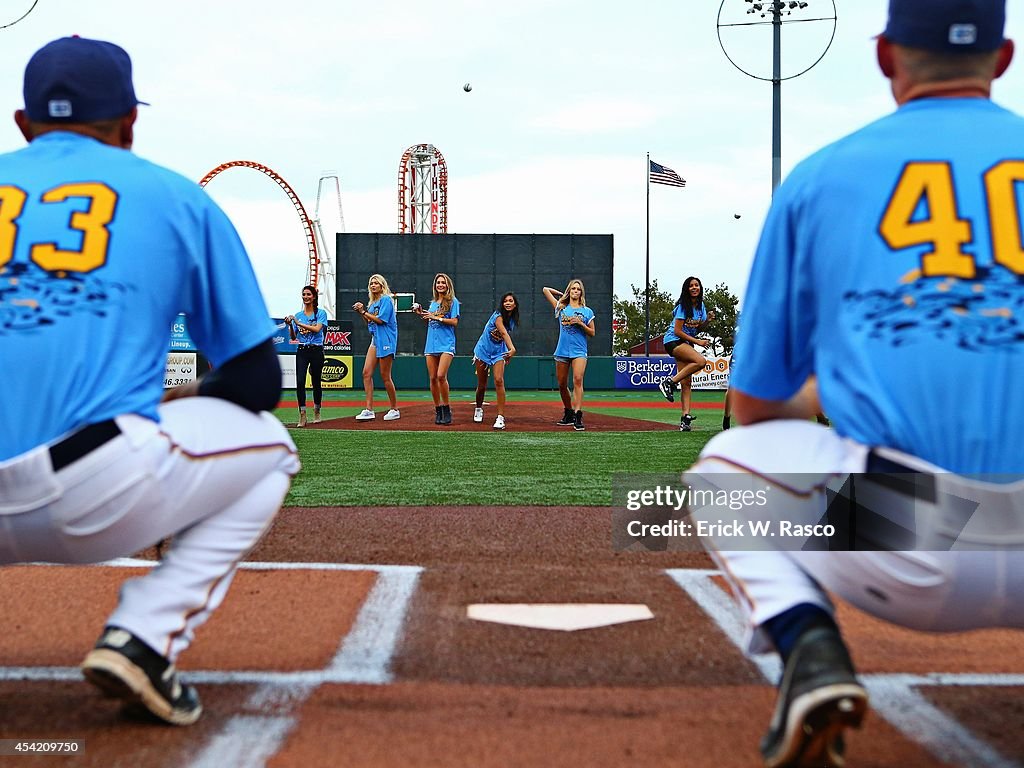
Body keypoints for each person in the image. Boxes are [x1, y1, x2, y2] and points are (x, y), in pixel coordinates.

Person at [683, 2, 1024, 765]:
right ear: (1002, 58)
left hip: (916, 543)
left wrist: (839, 394)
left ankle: (811, 652)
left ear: (885, 57)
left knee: (723, 472)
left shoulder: (820, 177)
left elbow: (755, 410)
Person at [0, 37, 299, 726]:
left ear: (23, 124)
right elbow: (257, 382)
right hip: (89, 495)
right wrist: (173, 400)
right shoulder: (173, 197)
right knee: (272, 447)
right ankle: (144, 637)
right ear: (130, 122)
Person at [657, 276, 711, 432]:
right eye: (691, 285)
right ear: (686, 289)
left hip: (685, 343)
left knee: (687, 383)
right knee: (701, 361)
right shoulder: (683, 306)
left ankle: (685, 418)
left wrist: (708, 321)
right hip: (673, 341)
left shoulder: (701, 306)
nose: (694, 288)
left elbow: (698, 327)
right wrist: (698, 341)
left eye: (697, 285)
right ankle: (669, 383)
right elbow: (677, 331)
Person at [542, 280, 596, 431]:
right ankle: (568, 412)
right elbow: (546, 289)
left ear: (581, 293)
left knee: (578, 379)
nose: (575, 291)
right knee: (561, 383)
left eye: (578, 289)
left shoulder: (587, 311)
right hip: (562, 350)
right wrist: (562, 294)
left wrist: (580, 324)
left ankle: (578, 414)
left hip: (579, 350)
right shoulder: (562, 307)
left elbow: (592, 332)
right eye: (573, 288)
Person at [353, 273, 399, 421]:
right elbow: (370, 323)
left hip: (386, 339)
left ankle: (394, 408)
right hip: (375, 339)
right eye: (371, 283)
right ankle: (369, 409)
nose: (373, 285)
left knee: (386, 376)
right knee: (366, 373)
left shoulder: (386, 299)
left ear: (382, 286)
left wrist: (363, 312)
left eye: (376, 283)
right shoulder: (372, 304)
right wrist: (362, 313)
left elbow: (381, 320)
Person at [416, 273, 460, 425]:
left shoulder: (453, 301)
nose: (440, 285)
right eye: (438, 282)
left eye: (443, 282)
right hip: (431, 344)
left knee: (441, 376)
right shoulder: (433, 303)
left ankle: (447, 409)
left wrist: (437, 318)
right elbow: (430, 322)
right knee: (433, 378)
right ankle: (438, 410)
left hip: (446, 343)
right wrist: (422, 314)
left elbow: (454, 321)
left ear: (448, 285)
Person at [472, 292, 519, 430]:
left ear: (515, 304)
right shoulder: (498, 316)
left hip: (499, 352)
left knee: (499, 380)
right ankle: (479, 408)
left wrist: (508, 352)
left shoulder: (512, 320)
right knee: (482, 385)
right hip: (483, 350)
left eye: (511, 301)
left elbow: (504, 335)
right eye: (505, 301)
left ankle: (500, 417)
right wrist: (512, 348)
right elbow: (503, 333)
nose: (508, 303)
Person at [285, 285, 328, 427]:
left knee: (316, 381)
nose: (306, 297)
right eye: (304, 294)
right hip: (302, 349)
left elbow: (317, 329)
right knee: (300, 381)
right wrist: (291, 325)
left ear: (314, 296)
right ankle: (302, 414)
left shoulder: (320, 313)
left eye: (308, 294)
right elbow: (293, 337)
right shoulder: (299, 315)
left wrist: (298, 323)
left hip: (316, 350)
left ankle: (317, 411)